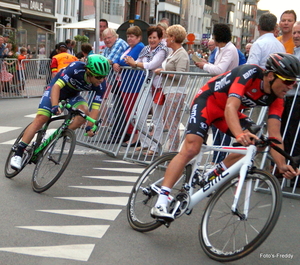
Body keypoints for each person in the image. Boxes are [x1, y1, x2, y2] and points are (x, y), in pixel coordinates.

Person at [150, 53, 300, 220]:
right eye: (287, 81)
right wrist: (239, 134)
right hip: (207, 102)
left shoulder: (277, 98)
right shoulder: (249, 73)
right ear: (271, 75)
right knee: (192, 148)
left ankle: (214, 173)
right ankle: (161, 202)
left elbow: (275, 134)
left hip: (226, 113)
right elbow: (231, 106)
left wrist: (281, 164)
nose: (290, 86)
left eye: (293, 82)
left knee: (259, 141)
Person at [10, 54, 110, 170]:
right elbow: (57, 87)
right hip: (56, 89)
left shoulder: (101, 85)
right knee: (42, 118)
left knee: (83, 115)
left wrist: (90, 127)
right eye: (98, 77)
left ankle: (54, 138)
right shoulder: (75, 68)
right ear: (88, 71)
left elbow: (95, 108)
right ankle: (18, 153)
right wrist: (54, 105)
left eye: (104, 76)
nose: (101, 80)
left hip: (73, 95)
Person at [125, 26, 169, 154]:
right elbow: (137, 61)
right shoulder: (145, 49)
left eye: (154, 37)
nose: (151, 40)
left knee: (156, 118)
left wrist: (135, 63)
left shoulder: (162, 50)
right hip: (147, 85)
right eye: (150, 37)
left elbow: (151, 65)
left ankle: (155, 146)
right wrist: (130, 61)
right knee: (139, 116)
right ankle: (145, 143)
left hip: (158, 86)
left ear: (160, 38)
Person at [106, 26, 145, 144]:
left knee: (133, 111)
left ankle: (136, 136)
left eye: (132, 36)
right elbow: (119, 58)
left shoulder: (139, 47)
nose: (129, 39)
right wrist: (117, 62)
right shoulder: (129, 47)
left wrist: (118, 63)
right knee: (128, 111)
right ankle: (131, 135)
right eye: (128, 36)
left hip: (134, 83)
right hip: (126, 83)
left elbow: (126, 60)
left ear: (138, 37)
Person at [154, 24, 190, 152]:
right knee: (170, 122)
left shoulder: (181, 54)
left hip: (176, 91)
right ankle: (172, 150)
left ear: (173, 38)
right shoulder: (174, 52)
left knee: (173, 123)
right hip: (170, 90)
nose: (165, 39)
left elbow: (180, 75)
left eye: (168, 36)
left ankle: (173, 151)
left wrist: (163, 72)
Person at [281, 22, 300, 158]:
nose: (296, 36)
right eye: (294, 33)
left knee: (295, 139)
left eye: (299, 32)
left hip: (297, 100)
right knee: (287, 136)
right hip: (289, 99)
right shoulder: (295, 51)